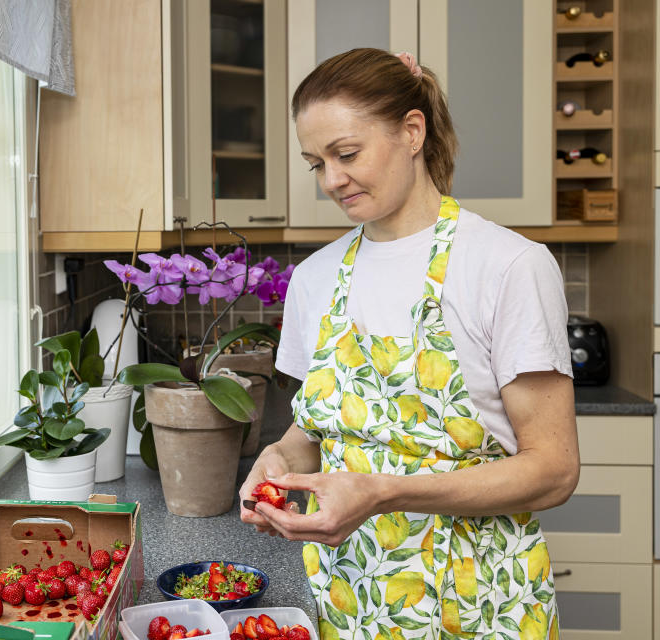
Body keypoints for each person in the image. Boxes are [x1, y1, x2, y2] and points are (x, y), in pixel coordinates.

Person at [239, 48, 579, 638]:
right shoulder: (315, 279)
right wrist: (278, 461)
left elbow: (553, 470)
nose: (331, 180)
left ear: (412, 131)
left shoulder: (508, 266)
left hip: (480, 603)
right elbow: (312, 434)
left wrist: (384, 493)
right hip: (350, 600)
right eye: (315, 162)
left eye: (346, 154)